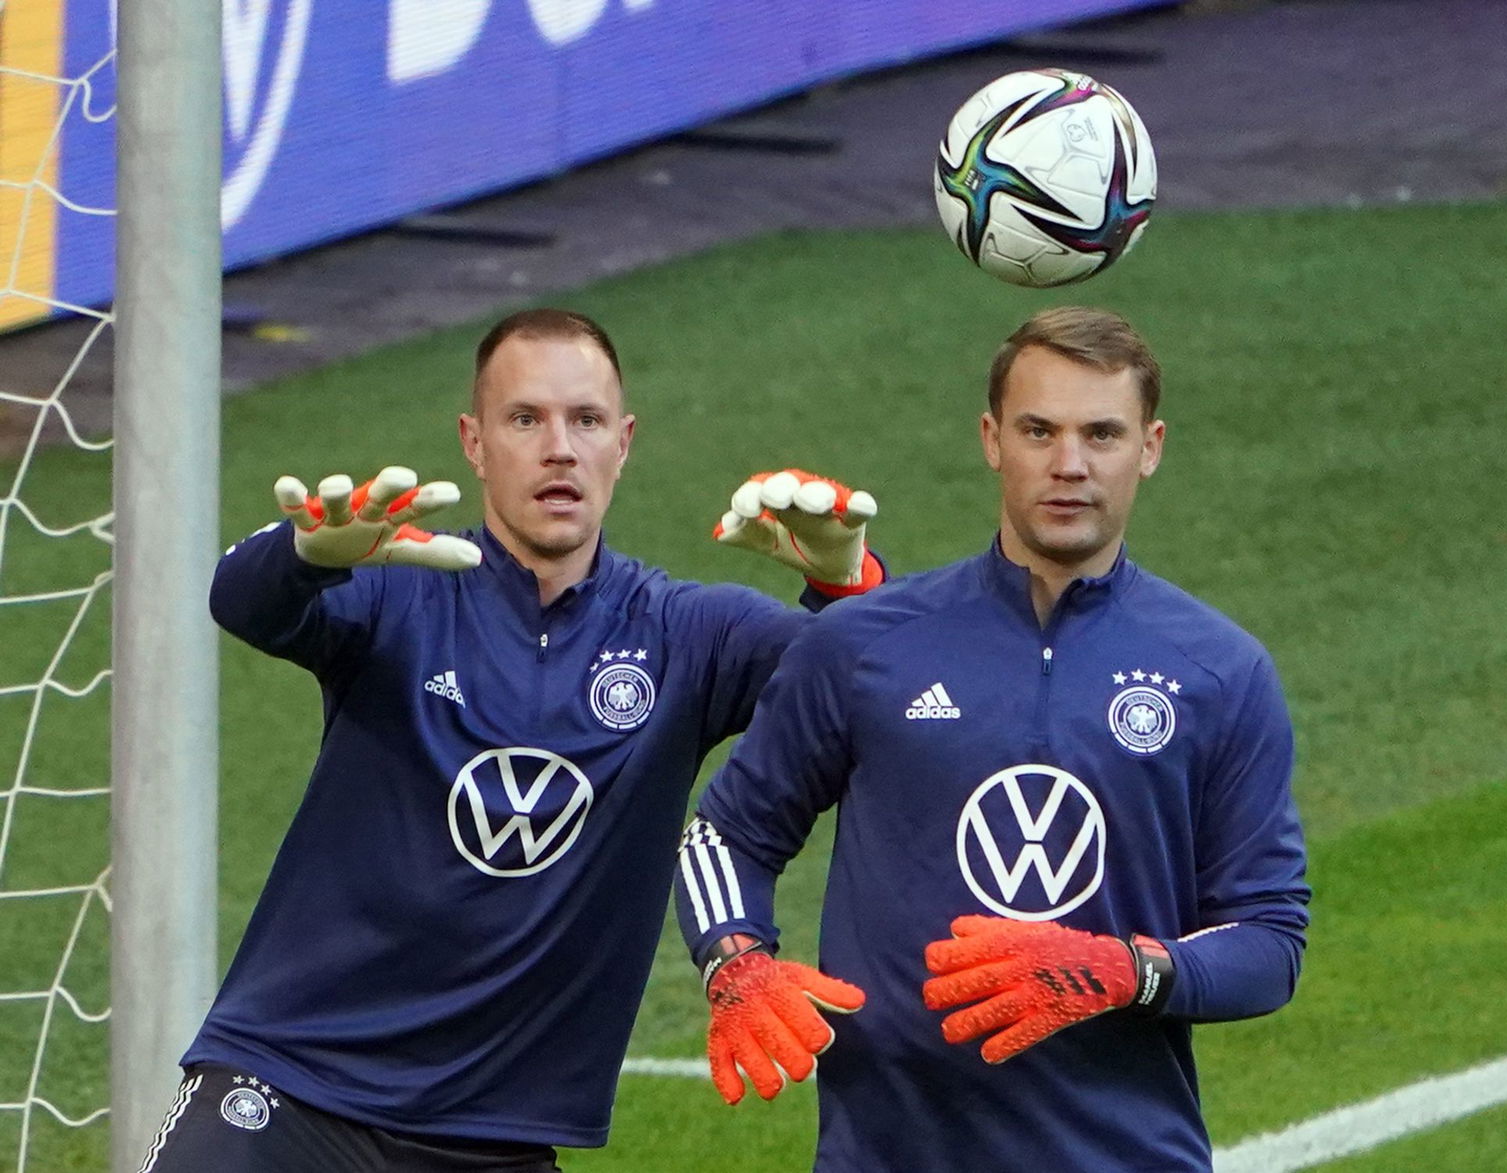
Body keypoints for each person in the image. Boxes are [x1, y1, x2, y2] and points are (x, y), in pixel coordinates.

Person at [140, 308, 883, 1173]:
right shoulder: (399, 590)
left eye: (587, 420)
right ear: (475, 440)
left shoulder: (689, 634)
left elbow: (866, 697)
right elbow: (243, 603)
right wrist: (305, 553)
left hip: (495, 1140)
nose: (559, 447)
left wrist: (844, 583)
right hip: (292, 1090)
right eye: (525, 419)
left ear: (624, 441)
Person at [674, 305, 1310, 1172]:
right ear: (991, 438)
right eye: (1039, 430)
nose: (1070, 464)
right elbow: (727, 835)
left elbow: (1268, 940)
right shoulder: (864, 642)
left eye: (1103, 434)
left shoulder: (1219, 672)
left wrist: (1125, 969)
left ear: (1151, 447)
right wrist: (736, 965)